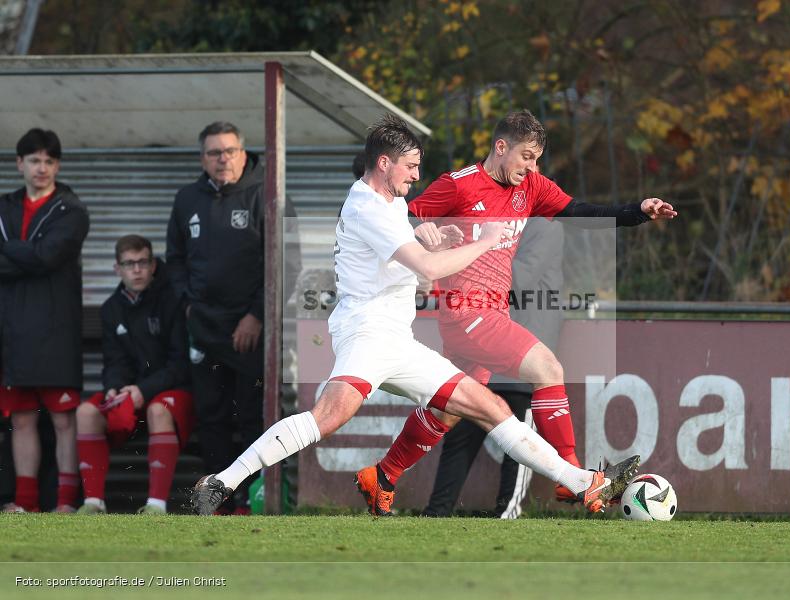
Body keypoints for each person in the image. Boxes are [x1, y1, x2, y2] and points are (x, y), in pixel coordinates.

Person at [191, 114, 634, 517]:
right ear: (385, 164)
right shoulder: (369, 207)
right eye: (411, 167)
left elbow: (413, 252)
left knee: (489, 406)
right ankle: (222, 482)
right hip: (367, 334)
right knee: (329, 416)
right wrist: (483, 241)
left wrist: (431, 235)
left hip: (397, 341)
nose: (418, 176)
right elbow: (427, 269)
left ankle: (581, 483)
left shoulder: (388, 202)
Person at [356, 109, 676, 515]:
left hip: (494, 313)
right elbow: (401, 213)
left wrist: (636, 212)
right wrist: (421, 229)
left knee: (447, 409)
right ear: (501, 147)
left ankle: (382, 475)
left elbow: (579, 211)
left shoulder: (532, 187)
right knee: (549, 369)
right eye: (527, 156)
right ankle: (575, 478)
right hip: (466, 312)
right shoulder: (458, 185)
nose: (532, 166)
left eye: (537, 158)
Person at [166, 121, 298, 514]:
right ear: (202, 159)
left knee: (251, 416)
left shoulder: (268, 195)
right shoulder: (187, 198)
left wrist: (256, 316)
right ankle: (216, 501)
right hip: (204, 329)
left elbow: (288, 264)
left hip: (252, 332)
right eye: (213, 153)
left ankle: (249, 500)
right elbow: (174, 260)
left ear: (243, 153)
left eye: (229, 151)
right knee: (212, 417)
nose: (222, 159)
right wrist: (188, 305)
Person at [423, 217, 563, 519]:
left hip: (522, 348)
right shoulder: (493, 217)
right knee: (459, 431)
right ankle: (436, 513)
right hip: (482, 344)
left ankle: (507, 515)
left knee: (521, 441)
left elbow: (520, 280)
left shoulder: (545, 224)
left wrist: (470, 255)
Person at [0, 128, 90, 513]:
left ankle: (66, 504)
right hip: (11, 332)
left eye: (49, 161)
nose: (42, 168)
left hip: (56, 329)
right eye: (34, 160)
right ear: (19, 163)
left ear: (58, 165)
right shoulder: (4, 207)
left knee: (63, 421)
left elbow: (48, 257)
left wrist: (9, 253)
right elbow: (37, 257)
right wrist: (30, 255)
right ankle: (26, 503)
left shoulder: (72, 210)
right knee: (21, 419)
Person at [75, 235, 193, 514]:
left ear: (153, 265)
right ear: (117, 269)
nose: (137, 270)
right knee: (85, 413)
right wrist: (114, 389)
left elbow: (180, 364)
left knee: (158, 409)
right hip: (134, 395)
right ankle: (93, 503)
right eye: (129, 264)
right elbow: (114, 361)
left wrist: (144, 390)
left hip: (174, 394)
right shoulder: (111, 309)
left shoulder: (172, 300)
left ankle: (156, 505)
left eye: (142, 262)